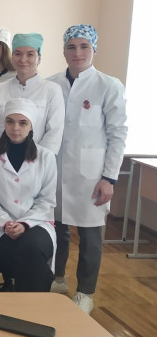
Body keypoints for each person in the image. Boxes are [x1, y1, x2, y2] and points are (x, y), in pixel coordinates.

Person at [48, 25, 127, 314]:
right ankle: (57, 279)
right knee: (56, 230)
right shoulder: (51, 84)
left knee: (91, 237)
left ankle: (85, 292)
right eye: (71, 47)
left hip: (92, 175)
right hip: (55, 170)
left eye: (84, 46)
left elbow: (118, 134)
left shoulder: (109, 85)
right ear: (64, 51)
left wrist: (109, 178)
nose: (78, 52)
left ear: (94, 49)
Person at [0, 98, 57, 292]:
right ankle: (29, 296)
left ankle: (19, 293)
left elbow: (46, 201)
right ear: (4, 123)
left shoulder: (46, 157)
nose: (15, 128)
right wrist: (6, 222)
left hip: (37, 223)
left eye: (23, 123)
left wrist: (25, 223)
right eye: (10, 121)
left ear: (31, 126)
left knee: (31, 246)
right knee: (13, 248)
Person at [0, 33, 65, 154]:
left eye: (30, 54)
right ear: (12, 57)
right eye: (18, 54)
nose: (23, 59)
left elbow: (54, 132)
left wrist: (39, 160)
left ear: (39, 58)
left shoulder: (52, 90)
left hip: (36, 159)